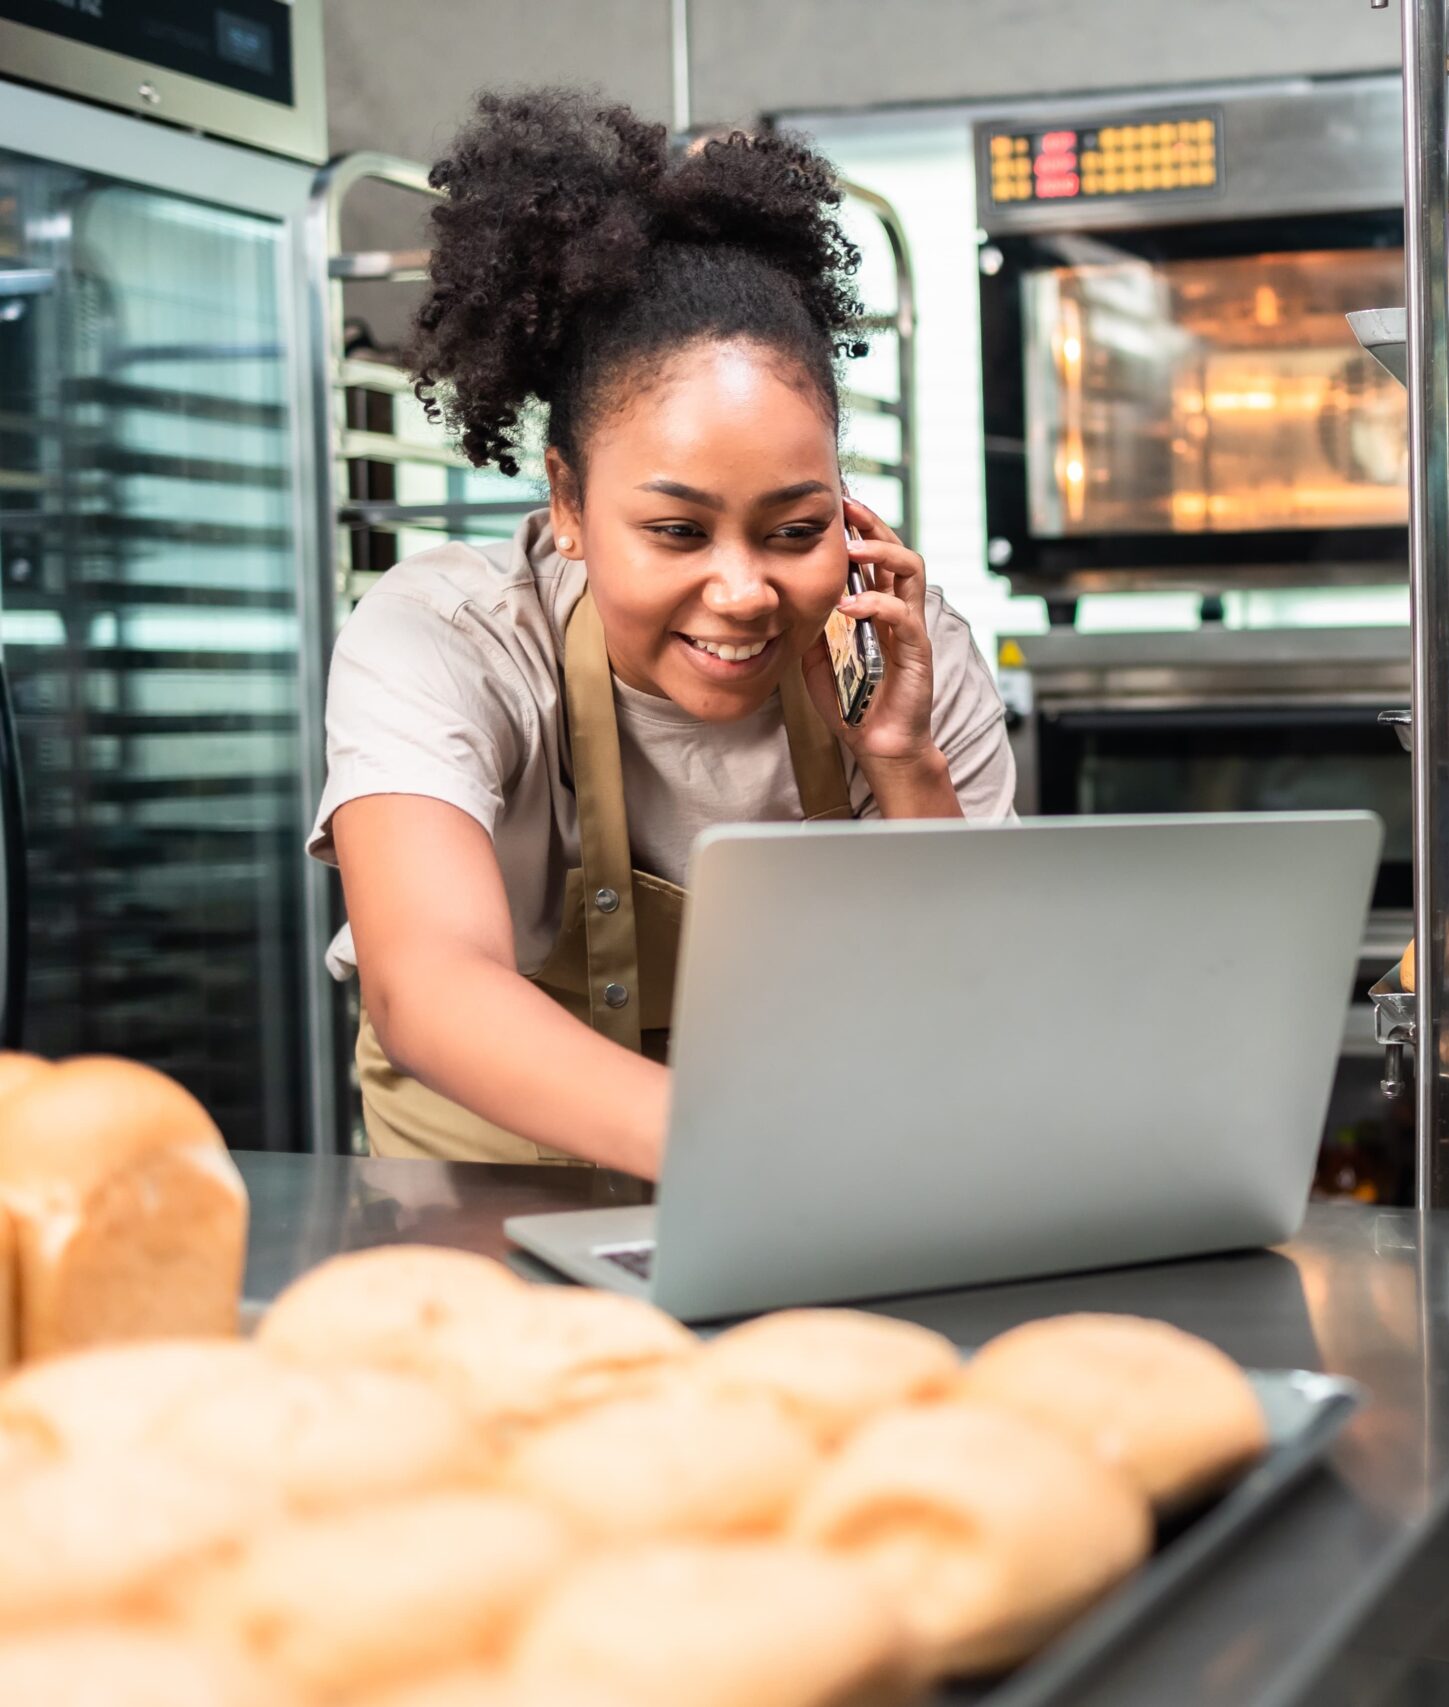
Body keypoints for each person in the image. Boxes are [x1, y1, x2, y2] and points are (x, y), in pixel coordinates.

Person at [308, 91, 1013, 1176]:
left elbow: (985, 1013)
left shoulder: (903, 655)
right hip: (485, 1210)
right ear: (571, 507)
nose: (741, 592)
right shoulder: (442, 639)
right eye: (678, 530)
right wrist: (741, 1153)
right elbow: (428, 984)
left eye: (795, 527)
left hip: (816, 1193)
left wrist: (906, 767)